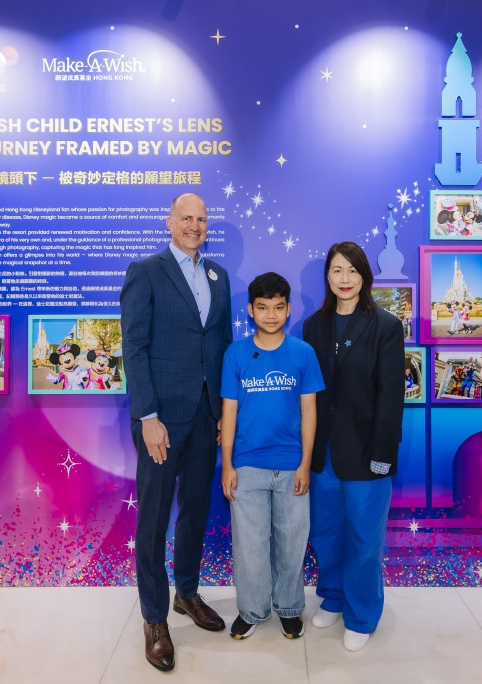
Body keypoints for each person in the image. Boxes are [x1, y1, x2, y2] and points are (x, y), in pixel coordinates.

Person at [120, 192, 232, 672]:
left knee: (195, 512)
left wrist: (227, 412)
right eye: (186, 217)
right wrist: (148, 417)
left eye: (202, 219)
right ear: (169, 221)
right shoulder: (145, 271)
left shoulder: (218, 275)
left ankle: (186, 592)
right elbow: (135, 347)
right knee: (154, 517)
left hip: (207, 417)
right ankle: (153, 617)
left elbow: (223, 345)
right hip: (161, 421)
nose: (194, 225)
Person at [302, 241, 405, 652]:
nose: (344, 280)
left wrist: (383, 454)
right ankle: (333, 596)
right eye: (336, 271)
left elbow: (391, 395)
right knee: (326, 532)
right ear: (327, 276)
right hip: (323, 451)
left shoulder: (385, 325)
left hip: (366, 452)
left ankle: (362, 614)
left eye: (352, 271)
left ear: (364, 276)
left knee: (364, 539)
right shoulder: (313, 326)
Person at [219, 272, 324, 641]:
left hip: (292, 465)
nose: (271, 315)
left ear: (288, 309)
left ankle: (290, 608)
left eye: (279, 307)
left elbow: (310, 412)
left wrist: (305, 463)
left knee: (292, 543)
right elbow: (228, 411)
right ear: (250, 310)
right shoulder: (235, 354)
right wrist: (228, 464)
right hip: (247, 466)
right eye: (262, 308)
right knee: (249, 546)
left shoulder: (303, 353)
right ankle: (251, 610)